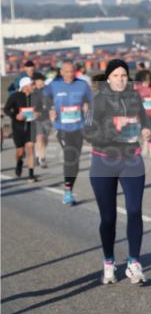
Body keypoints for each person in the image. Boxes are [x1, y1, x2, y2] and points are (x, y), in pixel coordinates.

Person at [83, 59, 151, 285]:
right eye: (116, 76)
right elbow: (88, 132)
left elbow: (144, 119)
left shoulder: (134, 97)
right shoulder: (99, 100)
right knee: (109, 217)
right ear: (108, 78)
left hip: (131, 161)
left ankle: (134, 262)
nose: (121, 79)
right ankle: (109, 262)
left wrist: (145, 129)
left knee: (134, 211)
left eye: (124, 75)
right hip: (104, 162)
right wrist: (112, 130)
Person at [45, 59, 93, 205]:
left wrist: (89, 123)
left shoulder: (82, 85)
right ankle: (67, 193)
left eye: (72, 71)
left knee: (75, 162)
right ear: (61, 72)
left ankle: (69, 188)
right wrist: (50, 109)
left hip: (79, 128)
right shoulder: (54, 85)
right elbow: (44, 98)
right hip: (63, 128)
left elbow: (92, 104)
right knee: (69, 158)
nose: (69, 74)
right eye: (66, 71)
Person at [3, 76, 39, 182]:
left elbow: (42, 108)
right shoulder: (15, 96)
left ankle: (31, 175)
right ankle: (19, 162)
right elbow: (6, 109)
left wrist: (38, 113)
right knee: (20, 152)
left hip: (31, 127)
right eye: (32, 84)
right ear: (25, 86)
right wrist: (15, 115)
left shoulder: (36, 96)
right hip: (18, 128)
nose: (34, 86)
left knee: (30, 148)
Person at [32, 72, 52, 168]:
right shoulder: (32, 91)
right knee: (39, 137)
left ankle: (38, 154)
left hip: (47, 117)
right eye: (40, 80)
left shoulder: (48, 90)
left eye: (43, 80)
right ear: (35, 81)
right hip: (36, 118)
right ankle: (42, 158)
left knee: (45, 139)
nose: (42, 82)